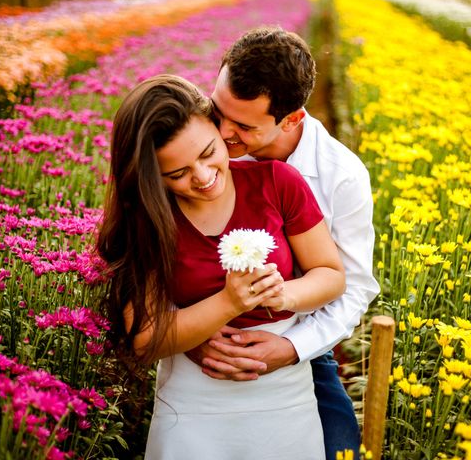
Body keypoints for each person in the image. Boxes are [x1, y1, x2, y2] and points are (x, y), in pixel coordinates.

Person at [96, 74, 345, 459]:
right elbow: (145, 340)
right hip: (192, 405)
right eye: (177, 174)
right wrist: (229, 303)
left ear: (217, 126)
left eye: (209, 152)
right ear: (150, 178)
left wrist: (283, 293)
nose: (202, 176)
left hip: (284, 399)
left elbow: (330, 275)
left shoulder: (278, 182)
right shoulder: (148, 218)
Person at [186, 27, 380, 459]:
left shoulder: (341, 176)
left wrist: (291, 349)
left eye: (244, 127)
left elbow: (355, 287)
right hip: (199, 340)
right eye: (219, 111)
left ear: (291, 118)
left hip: (299, 344)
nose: (222, 132)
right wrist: (188, 331)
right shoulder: (197, 147)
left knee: (339, 450)